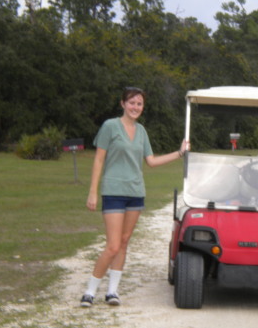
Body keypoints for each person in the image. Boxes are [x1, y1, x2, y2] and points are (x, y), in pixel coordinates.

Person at [80, 87, 189, 307]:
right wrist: (92, 191)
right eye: (131, 102)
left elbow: (151, 161)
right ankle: (90, 291)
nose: (135, 107)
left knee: (123, 242)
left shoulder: (141, 132)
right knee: (112, 245)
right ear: (122, 104)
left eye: (139, 104)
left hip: (135, 194)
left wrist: (179, 153)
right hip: (113, 192)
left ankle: (112, 291)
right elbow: (99, 160)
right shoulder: (110, 126)